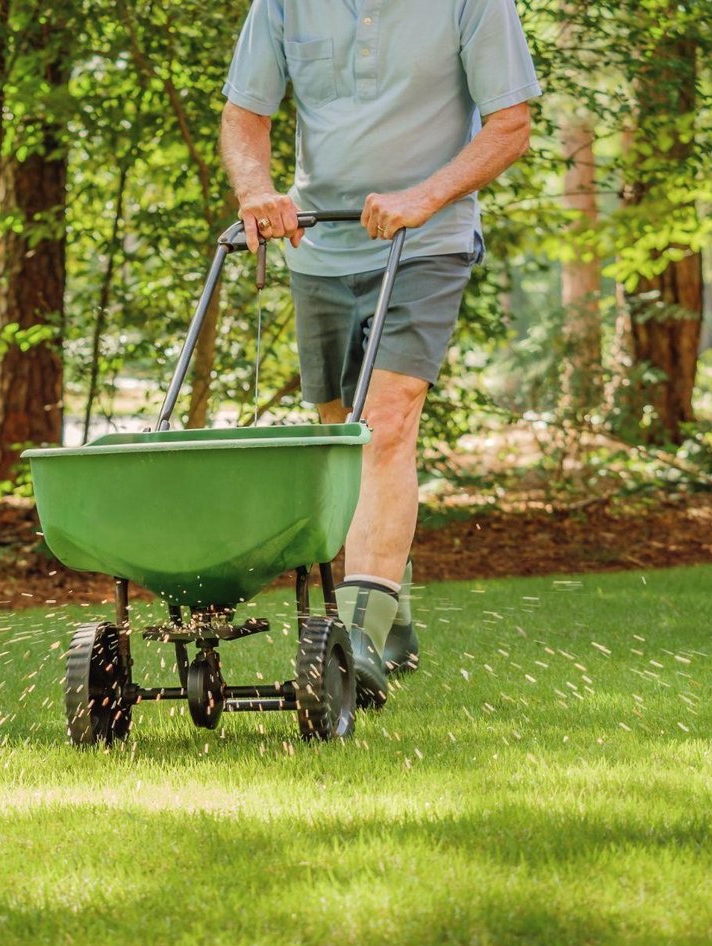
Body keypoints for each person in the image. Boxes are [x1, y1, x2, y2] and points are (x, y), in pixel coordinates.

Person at [219, 0, 539, 704]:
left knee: (386, 424)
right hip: (319, 243)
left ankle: (357, 639)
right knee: (340, 437)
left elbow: (510, 126)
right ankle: (392, 613)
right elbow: (246, 114)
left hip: (425, 241)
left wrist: (425, 196)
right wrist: (258, 190)